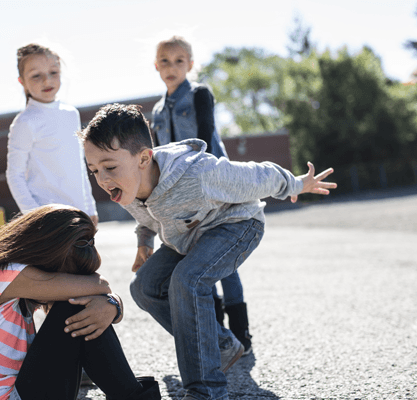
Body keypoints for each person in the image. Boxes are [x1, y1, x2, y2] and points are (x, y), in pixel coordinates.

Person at [79, 104, 336, 400]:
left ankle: (207, 390)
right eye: (94, 170)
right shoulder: (126, 185)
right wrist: (143, 245)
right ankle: (222, 346)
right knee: (144, 287)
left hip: (237, 225)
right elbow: (147, 217)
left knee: (187, 280)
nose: (102, 178)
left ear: (143, 158)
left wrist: (297, 183)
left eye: (109, 167)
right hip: (188, 236)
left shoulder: (197, 174)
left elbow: (256, 176)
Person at [0, 204, 161, 400]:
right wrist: (110, 302)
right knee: (75, 305)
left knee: (81, 306)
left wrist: (112, 305)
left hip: (11, 392)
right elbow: (100, 286)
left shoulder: (1, 272)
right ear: (48, 252)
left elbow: (101, 292)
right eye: (66, 275)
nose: (65, 283)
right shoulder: (7, 274)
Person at [150, 36, 250, 353]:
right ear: (156, 66)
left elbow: (205, 137)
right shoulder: (156, 110)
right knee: (198, 259)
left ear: (190, 64)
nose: (172, 67)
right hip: (181, 196)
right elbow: (158, 155)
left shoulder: (199, 95)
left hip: (214, 187)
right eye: (165, 61)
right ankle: (219, 335)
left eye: (179, 60)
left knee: (224, 262)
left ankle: (241, 333)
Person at [6, 43, 98, 226]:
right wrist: (35, 215)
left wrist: (90, 208)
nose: (46, 81)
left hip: (80, 214)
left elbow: (79, 166)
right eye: (36, 75)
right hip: (48, 219)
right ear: (22, 82)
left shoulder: (71, 114)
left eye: (53, 72)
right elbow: (14, 175)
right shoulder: (25, 122)